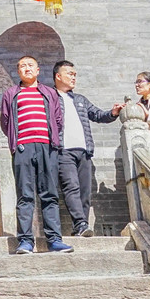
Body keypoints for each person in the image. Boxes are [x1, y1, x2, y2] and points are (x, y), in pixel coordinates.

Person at [0, 56, 73, 254]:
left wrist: (50, 141)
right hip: (23, 148)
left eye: (30, 65)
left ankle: (54, 240)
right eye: (22, 66)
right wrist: (19, 140)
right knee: (25, 195)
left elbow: (58, 120)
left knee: (50, 194)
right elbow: (5, 122)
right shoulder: (12, 94)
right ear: (18, 72)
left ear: (38, 70)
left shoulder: (49, 93)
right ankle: (25, 241)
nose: (26, 69)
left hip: (47, 147)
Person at [50, 60, 117, 238]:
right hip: (63, 150)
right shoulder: (49, 98)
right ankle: (80, 224)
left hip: (84, 151)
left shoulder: (79, 99)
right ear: (58, 76)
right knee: (70, 187)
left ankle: (82, 225)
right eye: (70, 73)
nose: (73, 77)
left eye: (75, 74)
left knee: (85, 191)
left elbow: (97, 114)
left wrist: (113, 113)